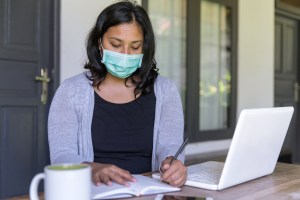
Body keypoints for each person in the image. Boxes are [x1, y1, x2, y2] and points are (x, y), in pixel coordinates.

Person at [48, 0, 187, 187]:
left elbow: (169, 146)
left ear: (145, 48)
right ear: (100, 42)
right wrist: (91, 169)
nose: (125, 54)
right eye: (116, 44)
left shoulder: (166, 91)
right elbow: (61, 155)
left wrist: (173, 163)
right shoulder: (71, 91)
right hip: (93, 192)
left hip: (148, 193)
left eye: (135, 46)